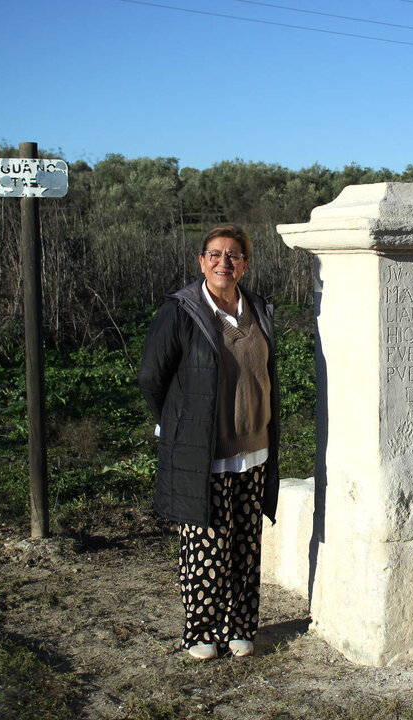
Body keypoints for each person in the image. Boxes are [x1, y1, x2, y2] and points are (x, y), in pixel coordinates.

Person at [138, 223, 281, 659]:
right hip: (207, 452)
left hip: (254, 449)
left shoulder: (258, 308)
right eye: (215, 254)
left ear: (245, 264)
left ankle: (239, 625)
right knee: (205, 543)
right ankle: (200, 630)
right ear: (202, 261)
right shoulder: (181, 311)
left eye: (234, 255)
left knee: (244, 542)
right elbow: (151, 376)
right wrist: (177, 422)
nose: (224, 262)